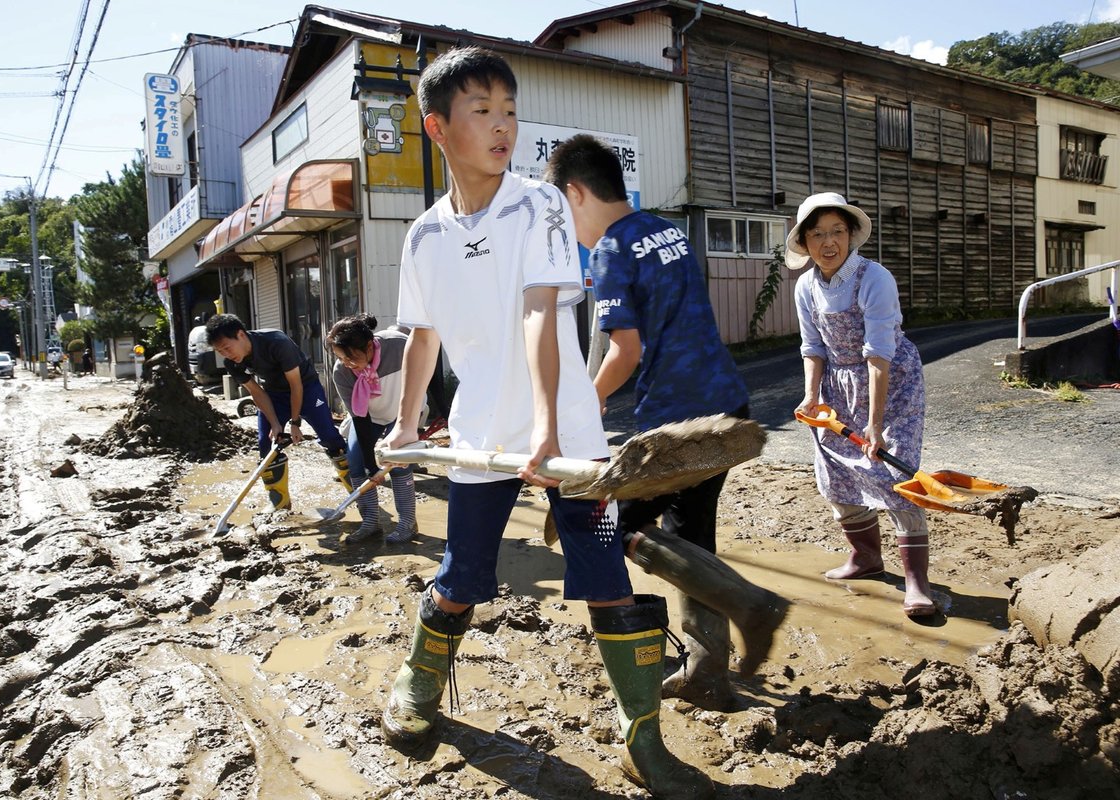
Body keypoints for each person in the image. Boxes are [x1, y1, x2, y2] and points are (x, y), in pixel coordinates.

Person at [379, 47, 713, 798]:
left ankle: (643, 742)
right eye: (481, 111)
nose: (502, 125)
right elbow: (423, 338)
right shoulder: (423, 238)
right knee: (462, 576)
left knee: (604, 576)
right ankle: (418, 686)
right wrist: (404, 427)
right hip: (478, 442)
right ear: (438, 127)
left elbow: (539, 312)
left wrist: (549, 430)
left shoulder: (537, 205)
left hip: (571, 444)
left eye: (509, 109)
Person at [546, 134, 789, 713]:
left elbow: (623, 352)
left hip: (675, 426)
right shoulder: (668, 231)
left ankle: (751, 604)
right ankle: (708, 672)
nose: (567, 229)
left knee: (605, 524)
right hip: (728, 407)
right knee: (689, 537)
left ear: (576, 194)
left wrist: (583, 403)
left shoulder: (609, 250)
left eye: (562, 211)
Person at [787, 192, 935, 617]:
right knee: (833, 470)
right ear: (805, 242)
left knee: (894, 471)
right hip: (837, 384)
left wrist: (873, 423)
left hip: (890, 379)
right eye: (817, 234)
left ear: (851, 235)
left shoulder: (875, 278)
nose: (828, 242)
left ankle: (916, 583)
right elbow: (813, 346)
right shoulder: (806, 286)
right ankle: (866, 558)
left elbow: (878, 353)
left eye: (836, 231)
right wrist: (812, 396)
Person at [205, 314, 351, 512]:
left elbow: (296, 385)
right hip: (274, 394)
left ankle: (358, 489)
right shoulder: (232, 363)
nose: (225, 354)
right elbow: (257, 392)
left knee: (330, 438)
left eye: (227, 347)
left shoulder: (276, 341)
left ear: (240, 335)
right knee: (266, 444)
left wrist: (295, 422)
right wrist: (275, 423)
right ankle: (280, 503)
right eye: (219, 351)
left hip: (307, 388)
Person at [326, 314, 420, 544]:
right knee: (356, 461)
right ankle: (370, 522)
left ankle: (408, 522)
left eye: (351, 357)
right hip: (370, 417)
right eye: (341, 357)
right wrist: (370, 464)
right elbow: (360, 419)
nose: (347, 363)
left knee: (396, 463)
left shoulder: (397, 346)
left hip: (402, 414)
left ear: (369, 346)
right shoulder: (342, 372)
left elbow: (425, 372)